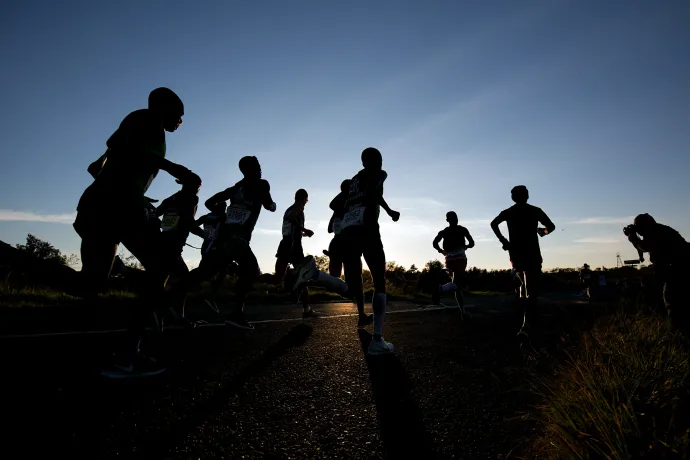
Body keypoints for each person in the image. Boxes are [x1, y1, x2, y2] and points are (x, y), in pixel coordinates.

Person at [73, 87, 200, 377]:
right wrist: (173, 167)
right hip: (117, 207)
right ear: (163, 110)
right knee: (161, 269)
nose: (180, 122)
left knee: (90, 284)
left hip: (100, 205)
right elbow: (127, 150)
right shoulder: (147, 120)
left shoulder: (138, 124)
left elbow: (111, 152)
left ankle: (16, 259)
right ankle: (129, 354)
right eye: (178, 116)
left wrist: (130, 185)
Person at [191, 156, 276, 330]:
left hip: (225, 238)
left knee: (207, 271)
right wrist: (271, 204)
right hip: (238, 239)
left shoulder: (236, 187)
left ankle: (169, 297)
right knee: (252, 271)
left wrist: (223, 215)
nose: (260, 169)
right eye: (257, 166)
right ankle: (235, 314)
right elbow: (269, 206)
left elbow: (209, 202)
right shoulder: (262, 184)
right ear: (249, 169)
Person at [340, 147, 400, 355]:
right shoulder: (379, 174)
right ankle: (377, 339)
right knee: (379, 280)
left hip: (349, 230)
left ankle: (318, 276)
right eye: (380, 159)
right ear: (372, 161)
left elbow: (340, 203)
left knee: (352, 286)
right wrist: (390, 211)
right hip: (367, 228)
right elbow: (374, 192)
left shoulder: (353, 180)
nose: (382, 163)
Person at [490, 185, 555, 341]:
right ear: (527, 196)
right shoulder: (535, 210)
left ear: (513, 197)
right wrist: (542, 232)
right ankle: (526, 324)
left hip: (516, 253)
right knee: (531, 289)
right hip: (532, 252)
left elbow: (493, 224)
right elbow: (551, 227)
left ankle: (526, 318)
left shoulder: (508, 212)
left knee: (524, 286)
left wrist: (503, 240)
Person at [275, 189, 350, 318]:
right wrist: (305, 229)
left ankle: (247, 276)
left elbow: (290, 225)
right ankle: (305, 306)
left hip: (285, 244)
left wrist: (303, 234)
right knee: (304, 276)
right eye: (306, 199)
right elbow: (292, 218)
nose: (306, 202)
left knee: (277, 279)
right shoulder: (298, 207)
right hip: (294, 247)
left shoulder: (288, 208)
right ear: (304, 199)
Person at [624, 213, 690, 333]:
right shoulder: (660, 229)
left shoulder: (655, 232)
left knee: (672, 301)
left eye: (638, 228)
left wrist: (633, 238)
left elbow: (645, 246)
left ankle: (677, 334)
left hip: (679, 270)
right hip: (679, 269)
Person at [155, 176, 206, 327]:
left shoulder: (171, 198)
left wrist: (165, 227)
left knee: (168, 279)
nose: (198, 190)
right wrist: (205, 235)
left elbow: (156, 213)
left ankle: (174, 315)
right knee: (182, 279)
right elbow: (189, 221)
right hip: (173, 245)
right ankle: (169, 312)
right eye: (197, 186)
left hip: (164, 242)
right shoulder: (192, 198)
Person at [431, 211, 475, 315]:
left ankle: (462, 311)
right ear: (457, 218)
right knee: (458, 284)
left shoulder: (444, 231)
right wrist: (466, 246)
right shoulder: (463, 229)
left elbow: (434, 243)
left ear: (447, 220)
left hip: (449, 259)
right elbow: (472, 243)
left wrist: (441, 251)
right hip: (460, 257)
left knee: (456, 285)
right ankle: (441, 288)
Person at [193, 201, 228, 313]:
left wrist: (203, 234)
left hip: (205, 247)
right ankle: (208, 296)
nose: (224, 209)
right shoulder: (223, 217)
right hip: (217, 248)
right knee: (221, 271)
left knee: (203, 271)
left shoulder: (206, 217)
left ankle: (200, 293)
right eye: (224, 207)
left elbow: (193, 225)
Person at [323, 179, 351, 278]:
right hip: (340, 241)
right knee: (340, 270)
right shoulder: (340, 208)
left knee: (349, 267)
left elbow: (329, 229)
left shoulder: (345, 207)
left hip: (340, 241)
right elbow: (329, 229)